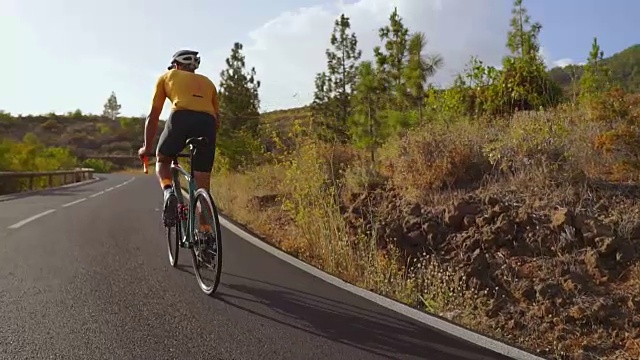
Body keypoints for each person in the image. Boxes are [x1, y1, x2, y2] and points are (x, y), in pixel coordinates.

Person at [137, 49, 220, 228]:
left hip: (180, 117)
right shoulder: (209, 83)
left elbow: (153, 116)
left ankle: (168, 192)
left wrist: (147, 147)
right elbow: (217, 121)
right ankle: (206, 234)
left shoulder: (168, 76)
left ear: (176, 65)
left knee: (163, 159)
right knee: (202, 185)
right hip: (207, 123)